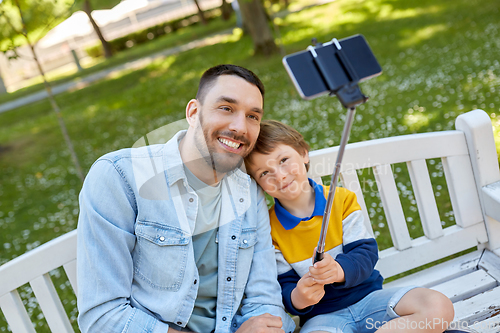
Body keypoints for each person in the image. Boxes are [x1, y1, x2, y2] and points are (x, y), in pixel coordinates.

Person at [77, 65, 296, 333]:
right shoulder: (122, 177)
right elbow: (103, 317)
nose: (240, 127)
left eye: (252, 116)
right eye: (226, 108)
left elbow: (264, 296)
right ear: (193, 112)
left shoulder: (249, 192)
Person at [244, 120, 471, 333]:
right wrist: (298, 298)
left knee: (437, 307)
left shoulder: (341, 200)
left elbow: (365, 253)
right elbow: (283, 285)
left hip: (372, 302)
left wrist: (339, 270)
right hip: (323, 319)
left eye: (283, 160)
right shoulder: (269, 228)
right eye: (265, 173)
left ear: (303, 153)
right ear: (257, 183)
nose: (280, 175)